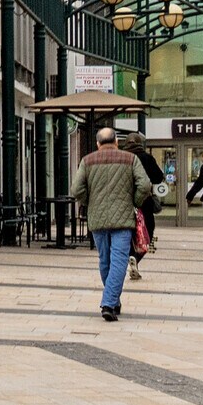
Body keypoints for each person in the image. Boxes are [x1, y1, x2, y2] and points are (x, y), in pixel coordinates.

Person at [69, 128, 150, 322]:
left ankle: (113, 300)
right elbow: (145, 185)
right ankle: (109, 302)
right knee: (119, 261)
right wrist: (135, 202)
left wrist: (90, 202)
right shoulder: (130, 159)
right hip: (123, 219)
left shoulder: (87, 161)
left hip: (97, 219)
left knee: (105, 260)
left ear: (98, 143)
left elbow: (76, 189)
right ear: (116, 141)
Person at [118, 134, 166, 279]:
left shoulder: (121, 158)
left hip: (123, 200)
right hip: (143, 201)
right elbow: (158, 177)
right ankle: (136, 257)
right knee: (148, 231)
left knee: (126, 232)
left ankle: (130, 256)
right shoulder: (146, 158)